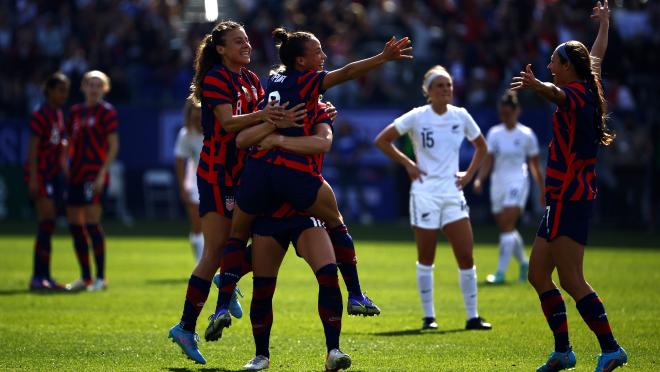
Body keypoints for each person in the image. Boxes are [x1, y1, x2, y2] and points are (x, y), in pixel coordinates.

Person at [208, 28, 412, 339]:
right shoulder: (308, 86)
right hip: (291, 173)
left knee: (240, 238)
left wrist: (271, 128)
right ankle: (356, 294)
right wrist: (382, 58)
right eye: (318, 52)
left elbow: (242, 139)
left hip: (256, 171)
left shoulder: (273, 81)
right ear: (302, 61)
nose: (324, 57)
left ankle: (224, 305)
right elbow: (346, 76)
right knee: (335, 222)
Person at [167, 20, 301, 365]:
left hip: (246, 170)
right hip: (217, 172)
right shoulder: (215, 79)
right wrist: (268, 116)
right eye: (238, 41)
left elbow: (261, 118)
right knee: (214, 249)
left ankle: (227, 280)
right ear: (221, 49)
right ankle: (185, 327)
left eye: (247, 40)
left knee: (270, 234)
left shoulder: (252, 79)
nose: (246, 45)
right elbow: (228, 123)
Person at [510, 1, 628, 371]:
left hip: (569, 198)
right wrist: (604, 26)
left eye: (554, 62)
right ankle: (563, 351)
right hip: (561, 199)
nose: (549, 66)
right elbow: (595, 56)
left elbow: (556, 94)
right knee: (538, 275)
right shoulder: (586, 86)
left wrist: (535, 85)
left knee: (573, 279)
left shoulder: (575, 95)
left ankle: (611, 349)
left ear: (566, 68)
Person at [374, 65, 491, 331]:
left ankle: (472, 316)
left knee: (466, 254)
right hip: (424, 193)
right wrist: (408, 164)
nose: (446, 90)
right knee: (426, 256)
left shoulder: (460, 115)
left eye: (449, 85)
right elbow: (382, 140)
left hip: (452, 192)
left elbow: (481, 146)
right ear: (428, 90)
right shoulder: (417, 116)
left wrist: (469, 175)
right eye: (440, 85)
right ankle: (429, 317)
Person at [239, 102, 351, 371]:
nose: (322, 58)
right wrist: (271, 124)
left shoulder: (319, 108)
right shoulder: (266, 109)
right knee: (263, 287)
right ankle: (261, 355)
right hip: (271, 212)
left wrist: (278, 139)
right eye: (317, 55)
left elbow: (323, 142)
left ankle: (333, 351)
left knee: (327, 273)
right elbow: (241, 141)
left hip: (304, 210)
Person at [472, 90, 544, 284]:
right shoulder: (495, 133)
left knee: (506, 226)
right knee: (507, 227)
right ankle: (523, 263)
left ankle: (500, 273)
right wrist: (480, 179)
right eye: (502, 113)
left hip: (517, 181)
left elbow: (534, 165)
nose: (505, 116)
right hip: (498, 183)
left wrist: (542, 190)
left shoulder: (527, 135)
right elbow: (488, 160)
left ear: (516, 111)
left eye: (508, 113)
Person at [65, 70, 119, 292]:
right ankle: (85, 277)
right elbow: (68, 142)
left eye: (98, 85)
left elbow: (113, 145)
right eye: (90, 84)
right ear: (83, 87)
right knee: (75, 225)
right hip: (75, 174)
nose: (94, 88)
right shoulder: (75, 112)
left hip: (94, 174)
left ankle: (100, 277)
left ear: (104, 88)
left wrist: (101, 174)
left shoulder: (107, 112)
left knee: (92, 223)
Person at [25, 72, 70, 291]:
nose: (64, 94)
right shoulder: (40, 114)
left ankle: (45, 276)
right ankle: (37, 276)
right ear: (49, 91)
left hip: (52, 174)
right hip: (41, 174)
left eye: (66, 90)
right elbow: (32, 149)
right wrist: (33, 178)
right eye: (60, 90)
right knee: (46, 223)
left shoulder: (58, 115)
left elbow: (59, 143)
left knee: (49, 224)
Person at [174, 98, 204, 262]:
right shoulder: (186, 134)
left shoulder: (217, 129)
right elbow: (180, 161)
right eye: (195, 109)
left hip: (218, 181)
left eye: (201, 109)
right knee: (197, 225)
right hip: (195, 183)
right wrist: (183, 187)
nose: (198, 113)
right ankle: (201, 264)